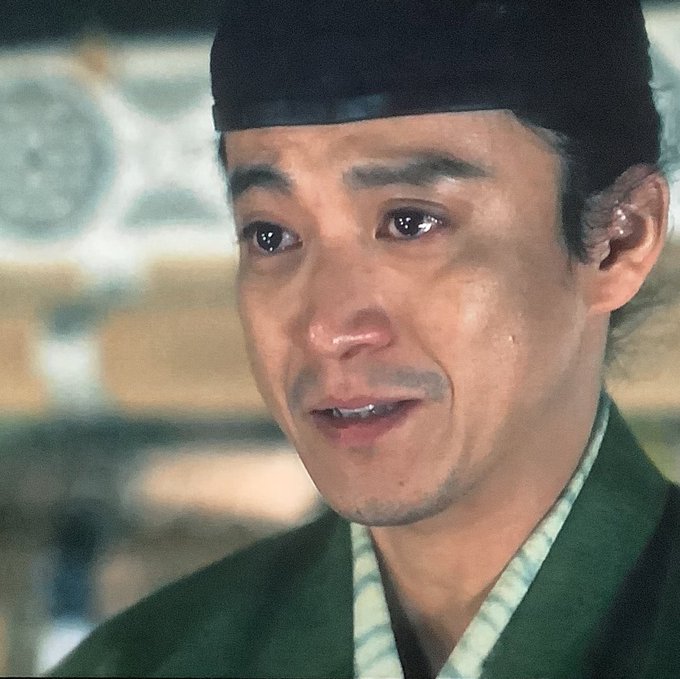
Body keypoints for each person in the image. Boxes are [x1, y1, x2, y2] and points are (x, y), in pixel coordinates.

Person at [53, 1, 679, 677]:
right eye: (271, 235)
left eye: (410, 223)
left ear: (619, 240)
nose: (327, 329)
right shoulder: (140, 663)